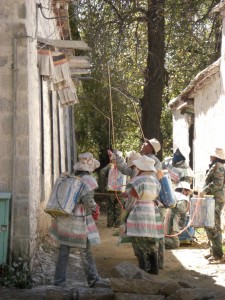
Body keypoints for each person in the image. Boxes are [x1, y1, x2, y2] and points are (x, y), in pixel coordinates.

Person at [49, 152, 108, 288]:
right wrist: (94, 208)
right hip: (79, 219)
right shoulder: (89, 180)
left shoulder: (71, 177)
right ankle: (93, 279)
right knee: (85, 249)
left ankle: (59, 282)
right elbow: (88, 200)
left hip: (65, 217)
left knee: (64, 249)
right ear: (90, 166)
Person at [122, 155, 164, 275]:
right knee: (151, 240)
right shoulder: (156, 181)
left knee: (139, 242)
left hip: (138, 212)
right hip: (151, 211)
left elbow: (132, 199)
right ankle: (154, 268)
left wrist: (126, 212)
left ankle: (142, 269)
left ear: (139, 167)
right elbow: (156, 196)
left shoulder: (135, 180)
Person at [199, 147, 225, 262]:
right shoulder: (216, 165)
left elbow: (217, 184)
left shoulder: (218, 166)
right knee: (210, 224)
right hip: (212, 198)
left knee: (213, 225)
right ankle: (214, 251)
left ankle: (218, 254)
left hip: (215, 199)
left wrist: (204, 190)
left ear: (215, 156)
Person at [100, 151, 126, 228]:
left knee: (110, 207)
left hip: (110, 189)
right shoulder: (124, 166)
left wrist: (104, 183)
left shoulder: (110, 165)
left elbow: (102, 172)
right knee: (119, 207)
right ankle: (118, 224)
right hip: (121, 190)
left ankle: (110, 224)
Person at [164, 181, 191, 249]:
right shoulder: (182, 198)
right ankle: (158, 241)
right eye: (187, 191)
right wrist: (182, 223)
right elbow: (181, 210)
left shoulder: (172, 194)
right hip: (172, 221)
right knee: (175, 244)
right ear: (183, 190)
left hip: (164, 218)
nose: (187, 193)